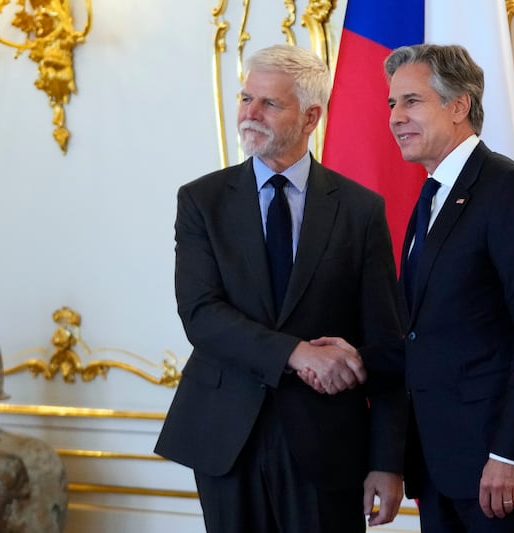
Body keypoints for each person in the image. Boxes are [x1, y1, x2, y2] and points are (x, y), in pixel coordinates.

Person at [155, 44, 407, 533]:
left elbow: (386, 343)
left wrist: (387, 461)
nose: (250, 113)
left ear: (311, 116)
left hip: (329, 443)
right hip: (225, 438)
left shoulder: (360, 211)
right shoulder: (201, 201)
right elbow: (201, 315)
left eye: (269, 103)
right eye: (246, 97)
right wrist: (296, 353)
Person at [385, 44, 514, 532]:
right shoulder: (430, 196)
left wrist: (508, 453)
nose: (395, 118)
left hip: (500, 467)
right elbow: (424, 330)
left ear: (459, 106)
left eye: (411, 101)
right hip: (439, 464)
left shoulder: (506, 188)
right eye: (391, 104)